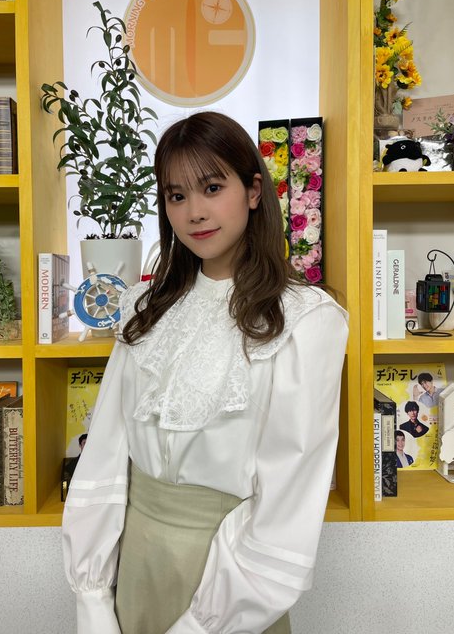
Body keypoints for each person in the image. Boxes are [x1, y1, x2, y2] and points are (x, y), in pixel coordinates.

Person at [61, 111, 348, 634]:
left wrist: (205, 623)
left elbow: (290, 492)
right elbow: (104, 453)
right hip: (134, 566)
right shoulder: (145, 309)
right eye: (176, 196)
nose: (195, 212)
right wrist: (93, 596)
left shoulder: (305, 319)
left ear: (253, 191)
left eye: (212, 188)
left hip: (233, 587)